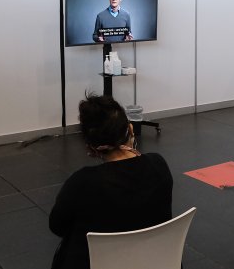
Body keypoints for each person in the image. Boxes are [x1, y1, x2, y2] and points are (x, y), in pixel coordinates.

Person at [49, 94, 173, 269]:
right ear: (130, 129)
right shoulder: (158, 164)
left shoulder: (82, 182)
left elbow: (57, 226)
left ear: (90, 146)